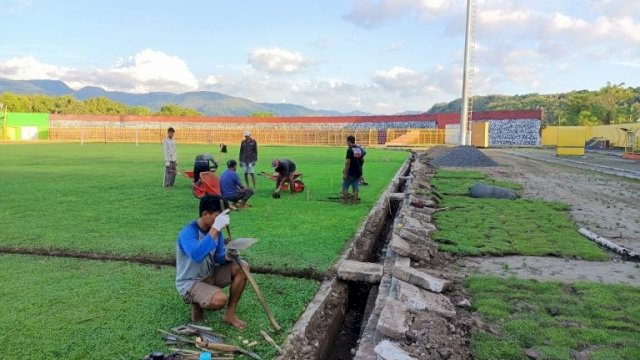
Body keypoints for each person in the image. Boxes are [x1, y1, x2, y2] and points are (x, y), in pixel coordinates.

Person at [175, 194, 249, 329]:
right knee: (219, 300)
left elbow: (218, 257)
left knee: (242, 266)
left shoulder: (216, 231)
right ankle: (196, 302)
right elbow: (196, 255)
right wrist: (215, 228)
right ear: (205, 215)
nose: (222, 222)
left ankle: (230, 314)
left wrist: (228, 255)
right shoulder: (187, 233)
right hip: (190, 283)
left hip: (209, 274)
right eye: (218, 217)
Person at [342, 135, 364, 205]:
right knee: (355, 188)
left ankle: (345, 202)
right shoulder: (359, 149)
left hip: (350, 172)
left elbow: (348, 162)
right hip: (358, 172)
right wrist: (360, 172)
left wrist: (345, 173)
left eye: (347, 141)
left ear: (349, 141)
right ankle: (355, 202)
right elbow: (362, 161)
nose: (347, 143)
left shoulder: (350, 149)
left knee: (345, 187)